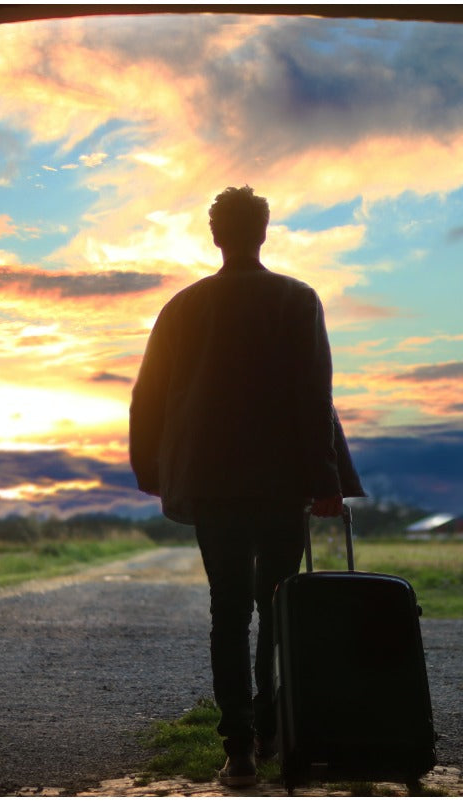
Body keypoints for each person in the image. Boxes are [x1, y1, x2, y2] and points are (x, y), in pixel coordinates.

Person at [129, 186, 364, 787]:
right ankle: (271, 729)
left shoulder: (182, 307)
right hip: (282, 482)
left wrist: (153, 472)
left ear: (216, 236)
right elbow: (316, 398)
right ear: (263, 232)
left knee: (227, 611)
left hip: (211, 483)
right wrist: (326, 482)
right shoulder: (296, 299)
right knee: (278, 606)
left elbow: (148, 396)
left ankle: (239, 750)